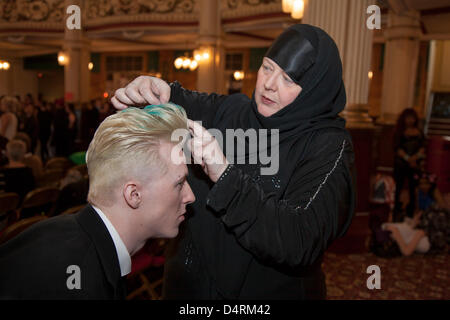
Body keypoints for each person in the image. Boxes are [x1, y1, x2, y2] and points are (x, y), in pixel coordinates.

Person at [112, 24, 356, 299]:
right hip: (191, 290)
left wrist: (225, 175)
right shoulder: (234, 111)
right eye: (267, 67)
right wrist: (156, 89)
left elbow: (298, 239)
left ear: (314, 90)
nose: (269, 84)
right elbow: (183, 101)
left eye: (288, 79)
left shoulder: (327, 147)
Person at [0, 105, 195, 299]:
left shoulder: (79, 240)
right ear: (133, 194)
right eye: (179, 183)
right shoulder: (79, 283)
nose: (190, 196)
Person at [393, 108, 425, 221]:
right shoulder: (399, 132)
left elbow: (423, 148)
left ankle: (411, 211)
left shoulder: (420, 132)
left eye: (412, 118)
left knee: (413, 188)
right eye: (408, 118)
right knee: (398, 187)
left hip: (415, 165)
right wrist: (408, 158)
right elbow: (397, 148)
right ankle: (396, 209)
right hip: (401, 164)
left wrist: (415, 159)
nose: (410, 120)